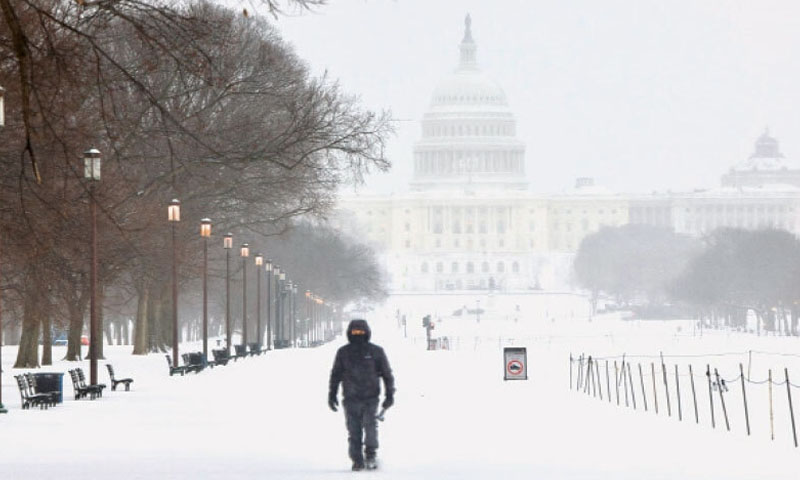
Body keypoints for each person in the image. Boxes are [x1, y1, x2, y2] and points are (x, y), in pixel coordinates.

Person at [328, 319, 395, 471]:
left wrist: (389, 394)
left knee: (370, 426)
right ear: (350, 333)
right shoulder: (343, 352)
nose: (358, 335)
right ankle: (357, 459)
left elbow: (386, 374)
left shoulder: (376, 352)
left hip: (371, 397)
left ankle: (370, 454)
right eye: (355, 332)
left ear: (367, 333)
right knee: (354, 430)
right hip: (351, 397)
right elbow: (336, 374)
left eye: (361, 332)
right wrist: (332, 394)